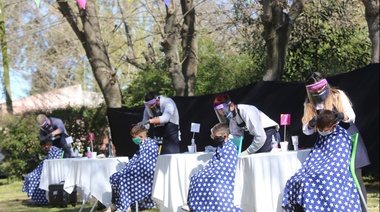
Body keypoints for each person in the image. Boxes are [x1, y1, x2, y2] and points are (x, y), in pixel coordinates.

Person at [301, 72, 370, 205]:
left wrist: (341, 116)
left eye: (320, 88)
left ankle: (362, 208)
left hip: (347, 139)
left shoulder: (337, 95)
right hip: (329, 146)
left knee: (356, 176)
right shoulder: (309, 103)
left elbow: (351, 116)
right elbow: (306, 131)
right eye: (315, 90)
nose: (319, 92)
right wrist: (311, 124)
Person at [282, 110, 361, 211]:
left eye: (325, 130)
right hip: (318, 169)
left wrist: (320, 170)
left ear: (333, 126)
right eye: (320, 130)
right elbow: (315, 155)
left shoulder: (341, 136)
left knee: (309, 181)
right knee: (293, 181)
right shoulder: (322, 137)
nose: (322, 132)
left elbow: (338, 162)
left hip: (333, 172)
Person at [184, 123, 241, 212]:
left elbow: (227, 164)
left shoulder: (230, 147)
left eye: (217, 137)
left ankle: (207, 206)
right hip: (215, 168)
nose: (215, 139)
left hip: (222, 172)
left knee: (206, 180)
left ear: (225, 136)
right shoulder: (221, 146)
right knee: (196, 177)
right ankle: (195, 204)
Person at [107, 124, 159, 212]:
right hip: (138, 172)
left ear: (141, 136)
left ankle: (125, 206)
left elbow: (144, 164)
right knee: (115, 177)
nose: (133, 140)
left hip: (146, 175)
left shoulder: (151, 146)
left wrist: (129, 170)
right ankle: (116, 203)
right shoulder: (142, 145)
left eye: (135, 138)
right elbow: (135, 160)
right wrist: (127, 169)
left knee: (123, 178)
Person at [213, 93, 280, 155]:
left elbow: (261, 136)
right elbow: (236, 136)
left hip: (268, 132)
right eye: (219, 110)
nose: (221, 112)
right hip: (257, 135)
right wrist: (224, 145)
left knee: (262, 158)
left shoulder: (247, 112)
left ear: (232, 106)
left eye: (222, 109)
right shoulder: (233, 118)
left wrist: (248, 152)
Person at [22, 138, 63, 205]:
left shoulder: (55, 151)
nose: (43, 148)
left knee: (32, 178)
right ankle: (38, 200)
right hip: (41, 171)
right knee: (29, 176)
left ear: (46, 145)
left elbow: (52, 164)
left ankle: (42, 200)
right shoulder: (50, 151)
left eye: (43, 146)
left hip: (46, 172)